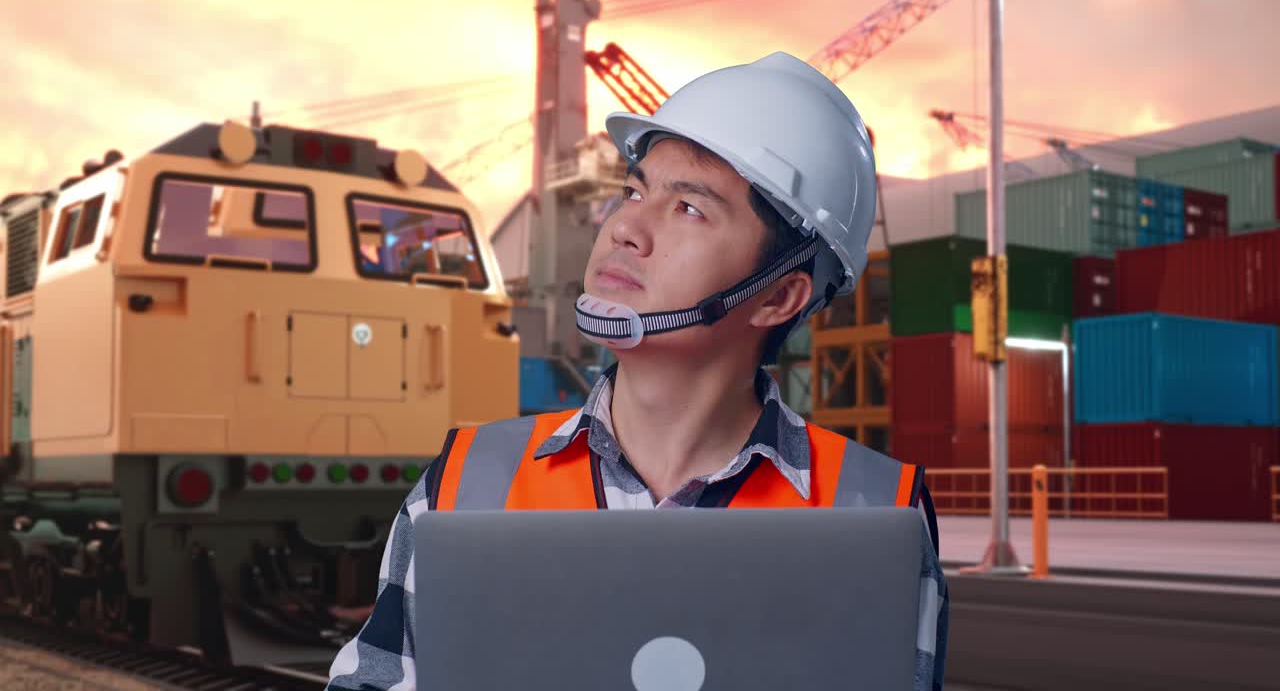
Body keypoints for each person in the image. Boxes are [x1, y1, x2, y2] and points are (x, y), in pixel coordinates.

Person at [326, 51, 949, 691]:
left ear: (778, 297)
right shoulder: (465, 484)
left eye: (688, 209)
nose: (625, 226)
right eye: (634, 190)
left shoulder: (877, 511)